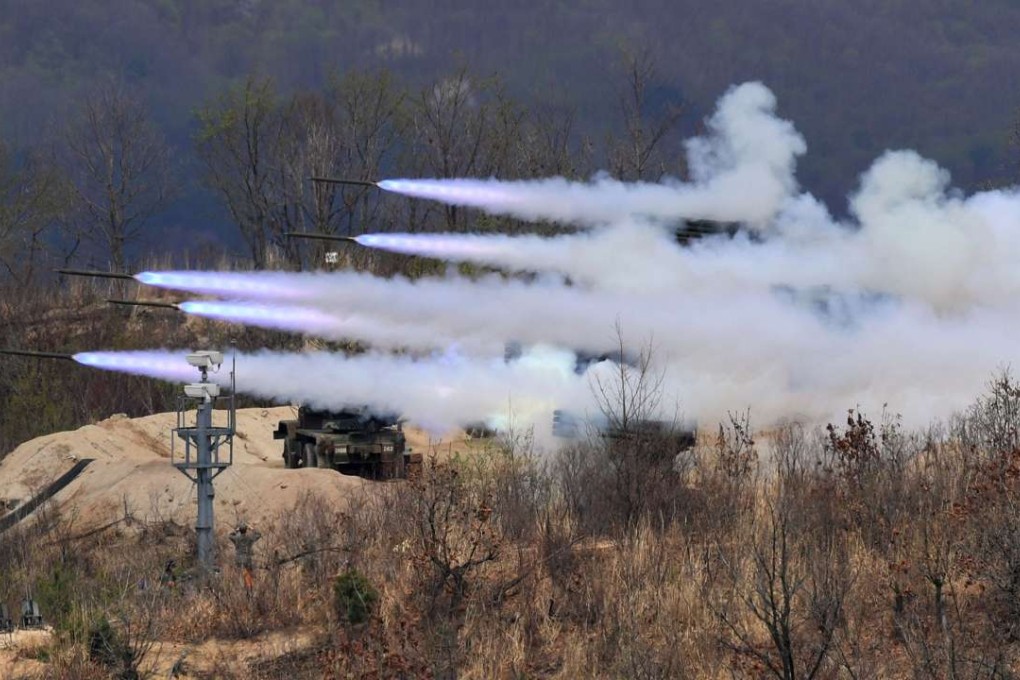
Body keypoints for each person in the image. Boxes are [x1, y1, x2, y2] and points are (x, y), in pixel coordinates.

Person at [228, 523, 262, 588]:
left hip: (238, 559)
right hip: (247, 559)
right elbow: (259, 534)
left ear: (240, 530)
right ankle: (249, 589)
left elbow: (230, 535)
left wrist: (236, 530)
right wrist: (252, 529)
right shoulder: (249, 538)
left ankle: (239, 587)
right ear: (246, 530)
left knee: (240, 575)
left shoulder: (236, 538)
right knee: (248, 575)